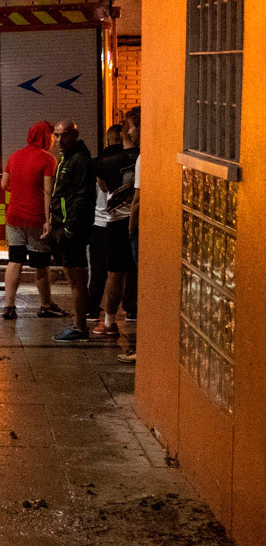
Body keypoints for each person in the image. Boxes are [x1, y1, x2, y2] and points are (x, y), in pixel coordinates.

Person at [1, 120, 66, 320]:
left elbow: (4, 184)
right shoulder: (48, 160)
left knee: (15, 260)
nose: (55, 140)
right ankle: (46, 305)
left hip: (14, 216)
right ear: (46, 137)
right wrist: (48, 219)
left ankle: (9, 306)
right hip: (36, 217)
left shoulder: (14, 156)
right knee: (40, 264)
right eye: (53, 136)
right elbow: (48, 191)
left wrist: (21, 192)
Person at [50, 120, 96, 343]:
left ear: (74, 136)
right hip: (68, 226)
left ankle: (79, 327)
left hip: (73, 229)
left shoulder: (79, 160)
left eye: (64, 135)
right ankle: (79, 325)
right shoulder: (67, 159)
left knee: (76, 279)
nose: (59, 140)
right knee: (73, 278)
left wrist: (70, 228)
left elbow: (81, 198)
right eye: (56, 135)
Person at [92, 122, 139, 339]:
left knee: (114, 273)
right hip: (139, 220)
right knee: (137, 271)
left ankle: (109, 321)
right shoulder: (144, 156)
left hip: (117, 221)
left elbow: (103, 187)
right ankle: (135, 311)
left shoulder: (105, 162)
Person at [87, 125, 125, 321]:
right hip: (119, 222)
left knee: (97, 270)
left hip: (98, 223)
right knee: (119, 271)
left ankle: (92, 308)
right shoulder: (129, 162)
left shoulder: (97, 164)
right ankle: (129, 309)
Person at [121, 107, 141, 363]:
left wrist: (131, 228)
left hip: (137, 229)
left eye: (133, 126)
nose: (130, 131)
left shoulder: (141, 158)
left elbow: (138, 200)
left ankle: (141, 347)